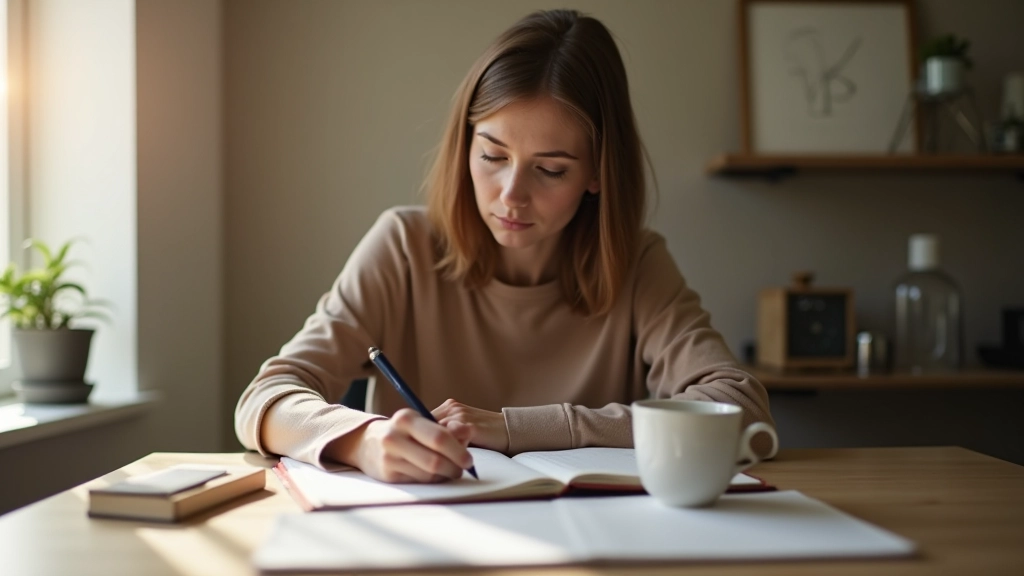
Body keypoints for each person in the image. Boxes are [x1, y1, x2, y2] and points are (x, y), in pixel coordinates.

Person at [235, 9, 775, 484]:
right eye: (493, 156)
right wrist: (363, 440)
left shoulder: (636, 262)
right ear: (466, 144)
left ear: (597, 174)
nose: (512, 195)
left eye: (550, 169)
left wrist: (519, 427)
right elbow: (266, 398)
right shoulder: (403, 245)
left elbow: (741, 407)